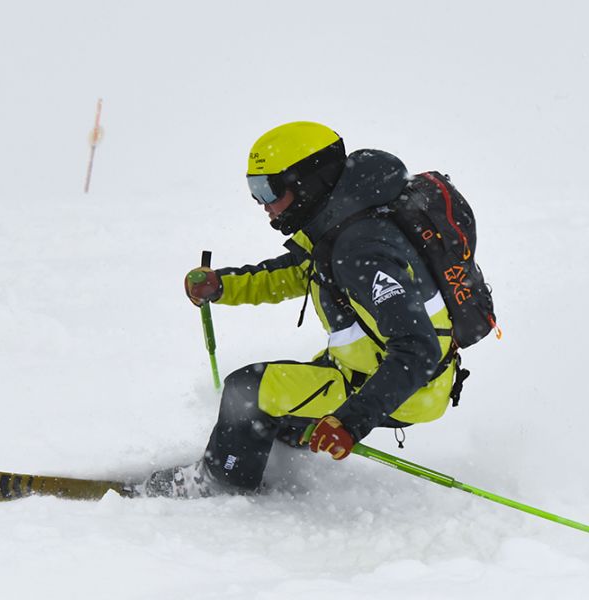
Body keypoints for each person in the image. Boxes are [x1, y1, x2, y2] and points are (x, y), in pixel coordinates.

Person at [138, 121, 466, 498]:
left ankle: (219, 484)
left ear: (309, 183)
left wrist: (350, 422)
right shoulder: (342, 227)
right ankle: (281, 436)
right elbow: (296, 272)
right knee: (277, 414)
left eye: (268, 189)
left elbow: (417, 349)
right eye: (254, 190)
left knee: (247, 391)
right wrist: (223, 285)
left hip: (402, 385)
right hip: (369, 369)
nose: (262, 204)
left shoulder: (363, 248)